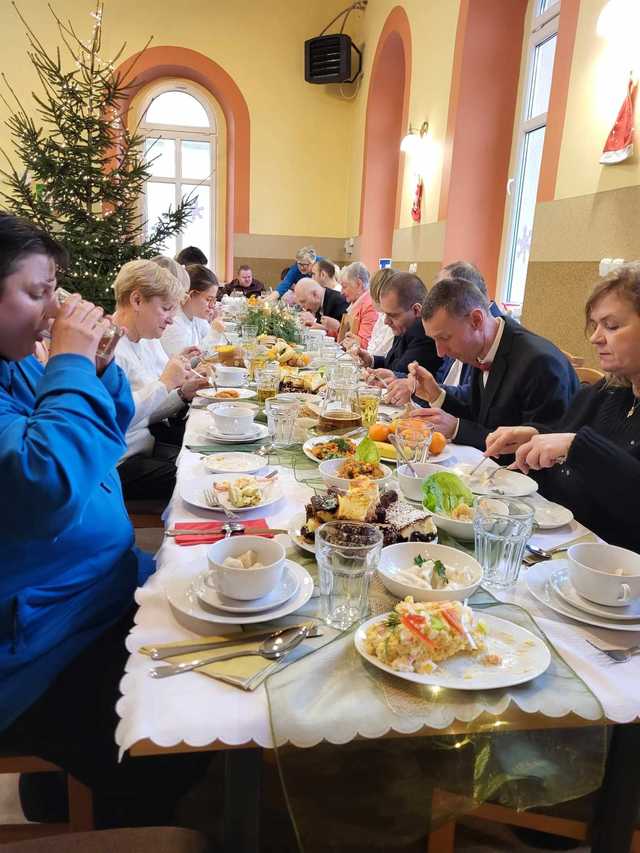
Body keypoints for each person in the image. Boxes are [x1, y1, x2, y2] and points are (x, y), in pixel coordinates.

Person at [0, 213, 208, 827]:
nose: (50, 309)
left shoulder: (12, 361)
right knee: (177, 741)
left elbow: (103, 432)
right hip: (41, 643)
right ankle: (102, 808)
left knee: (209, 653)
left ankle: (69, 786)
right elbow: (46, 488)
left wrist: (93, 369)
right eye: (38, 293)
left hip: (95, 594)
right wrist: (65, 363)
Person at [484, 263, 640, 550]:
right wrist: (533, 436)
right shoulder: (607, 393)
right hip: (559, 550)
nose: (595, 338)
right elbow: (565, 438)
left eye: (612, 326)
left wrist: (575, 446)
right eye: (595, 326)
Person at [408, 277, 579, 450]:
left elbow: (537, 450)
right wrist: (436, 395)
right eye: (435, 340)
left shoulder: (539, 363)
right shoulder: (482, 346)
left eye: (445, 338)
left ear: (476, 320)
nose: (440, 352)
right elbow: (482, 414)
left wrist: (457, 429)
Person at [112, 260, 209, 501]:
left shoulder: (142, 339)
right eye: (166, 308)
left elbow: (149, 409)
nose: (170, 319)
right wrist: (166, 384)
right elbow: (116, 419)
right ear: (136, 300)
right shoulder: (109, 351)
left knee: (205, 458)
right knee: (201, 483)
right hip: (120, 464)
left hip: (145, 444)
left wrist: (180, 388)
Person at [352, 271, 442, 378]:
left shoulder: (423, 332)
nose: (386, 321)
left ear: (416, 310)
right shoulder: (405, 327)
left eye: (392, 315)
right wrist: (371, 360)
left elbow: (403, 374)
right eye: (385, 314)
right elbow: (392, 363)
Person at [434, 261, 504, 387]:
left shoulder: (491, 336)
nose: (440, 352)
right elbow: (442, 378)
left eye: (443, 297)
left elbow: (470, 399)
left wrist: (433, 392)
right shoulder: (453, 324)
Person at [160, 264, 219, 356]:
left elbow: (211, 347)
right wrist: (215, 331)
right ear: (191, 295)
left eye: (213, 300)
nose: (212, 306)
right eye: (208, 299)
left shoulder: (196, 317)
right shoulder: (173, 324)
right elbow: (185, 364)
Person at [328, 261, 378, 349]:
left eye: (344, 287)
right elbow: (342, 338)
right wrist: (325, 329)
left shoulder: (370, 306)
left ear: (359, 284)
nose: (341, 292)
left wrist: (339, 328)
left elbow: (364, 345)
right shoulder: (354, 302)